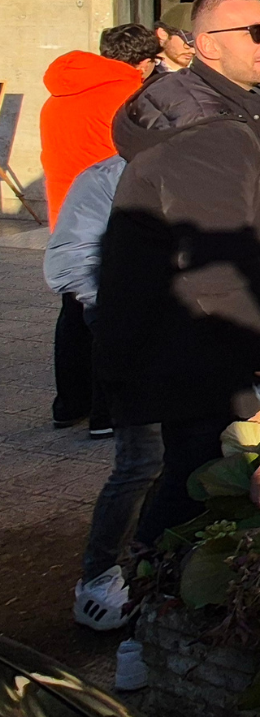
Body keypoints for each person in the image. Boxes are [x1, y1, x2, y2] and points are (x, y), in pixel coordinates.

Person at [96, 0, 260, 545]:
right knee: (196, 483)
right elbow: (215, 259)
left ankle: (153, 592)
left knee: (191, 471)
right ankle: (149, 605)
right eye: (255, 32)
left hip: (176, 335)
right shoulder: (211, 131)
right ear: (207, 46)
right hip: (190, 340)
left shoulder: (198, 106)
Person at [47, 153, 161, 633]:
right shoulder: (108, 177)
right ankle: (98, 577)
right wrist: (116, 315)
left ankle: (164, 572)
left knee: (200, 458)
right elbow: (70, 260)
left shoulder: (224, 161)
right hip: (136, 337)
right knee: (142, 461)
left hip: (208, 338)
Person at [41, 24, 158, 436]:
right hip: (107, 218)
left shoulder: (57, 95)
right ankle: (105, 414)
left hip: (65, 217)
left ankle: (67, 405)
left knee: (72, 315)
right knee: (111, 318)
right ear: (142, 63)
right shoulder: (127, 97)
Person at [153, 2, 195, 73]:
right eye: (188, 45)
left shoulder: (207, 74)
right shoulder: (144, 73)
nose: (193, 51)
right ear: (163, 34)